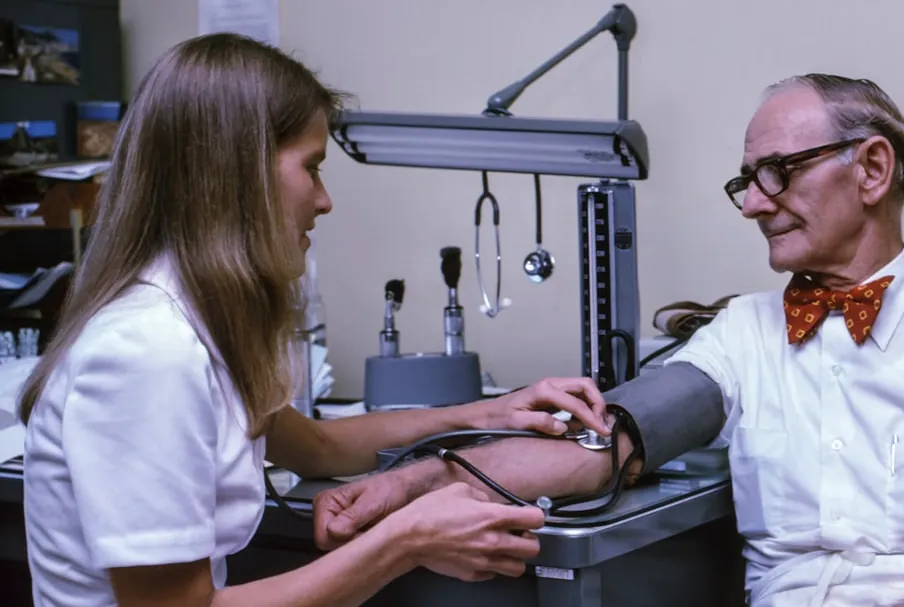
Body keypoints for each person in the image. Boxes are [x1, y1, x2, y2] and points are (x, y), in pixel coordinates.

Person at [314, 73, 904, 607]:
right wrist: (403, 485)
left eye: (777, 171)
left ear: (872, 169)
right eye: (746, 179)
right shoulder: (742, 335)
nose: (752, 203)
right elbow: (595, 447)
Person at [18, 33, 614, 607]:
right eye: (312, 167)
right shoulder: (150, 351)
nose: (324, 199)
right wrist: (404, 541)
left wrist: (489, 412)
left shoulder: (195, 326)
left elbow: (320, 448)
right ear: (239, 176)